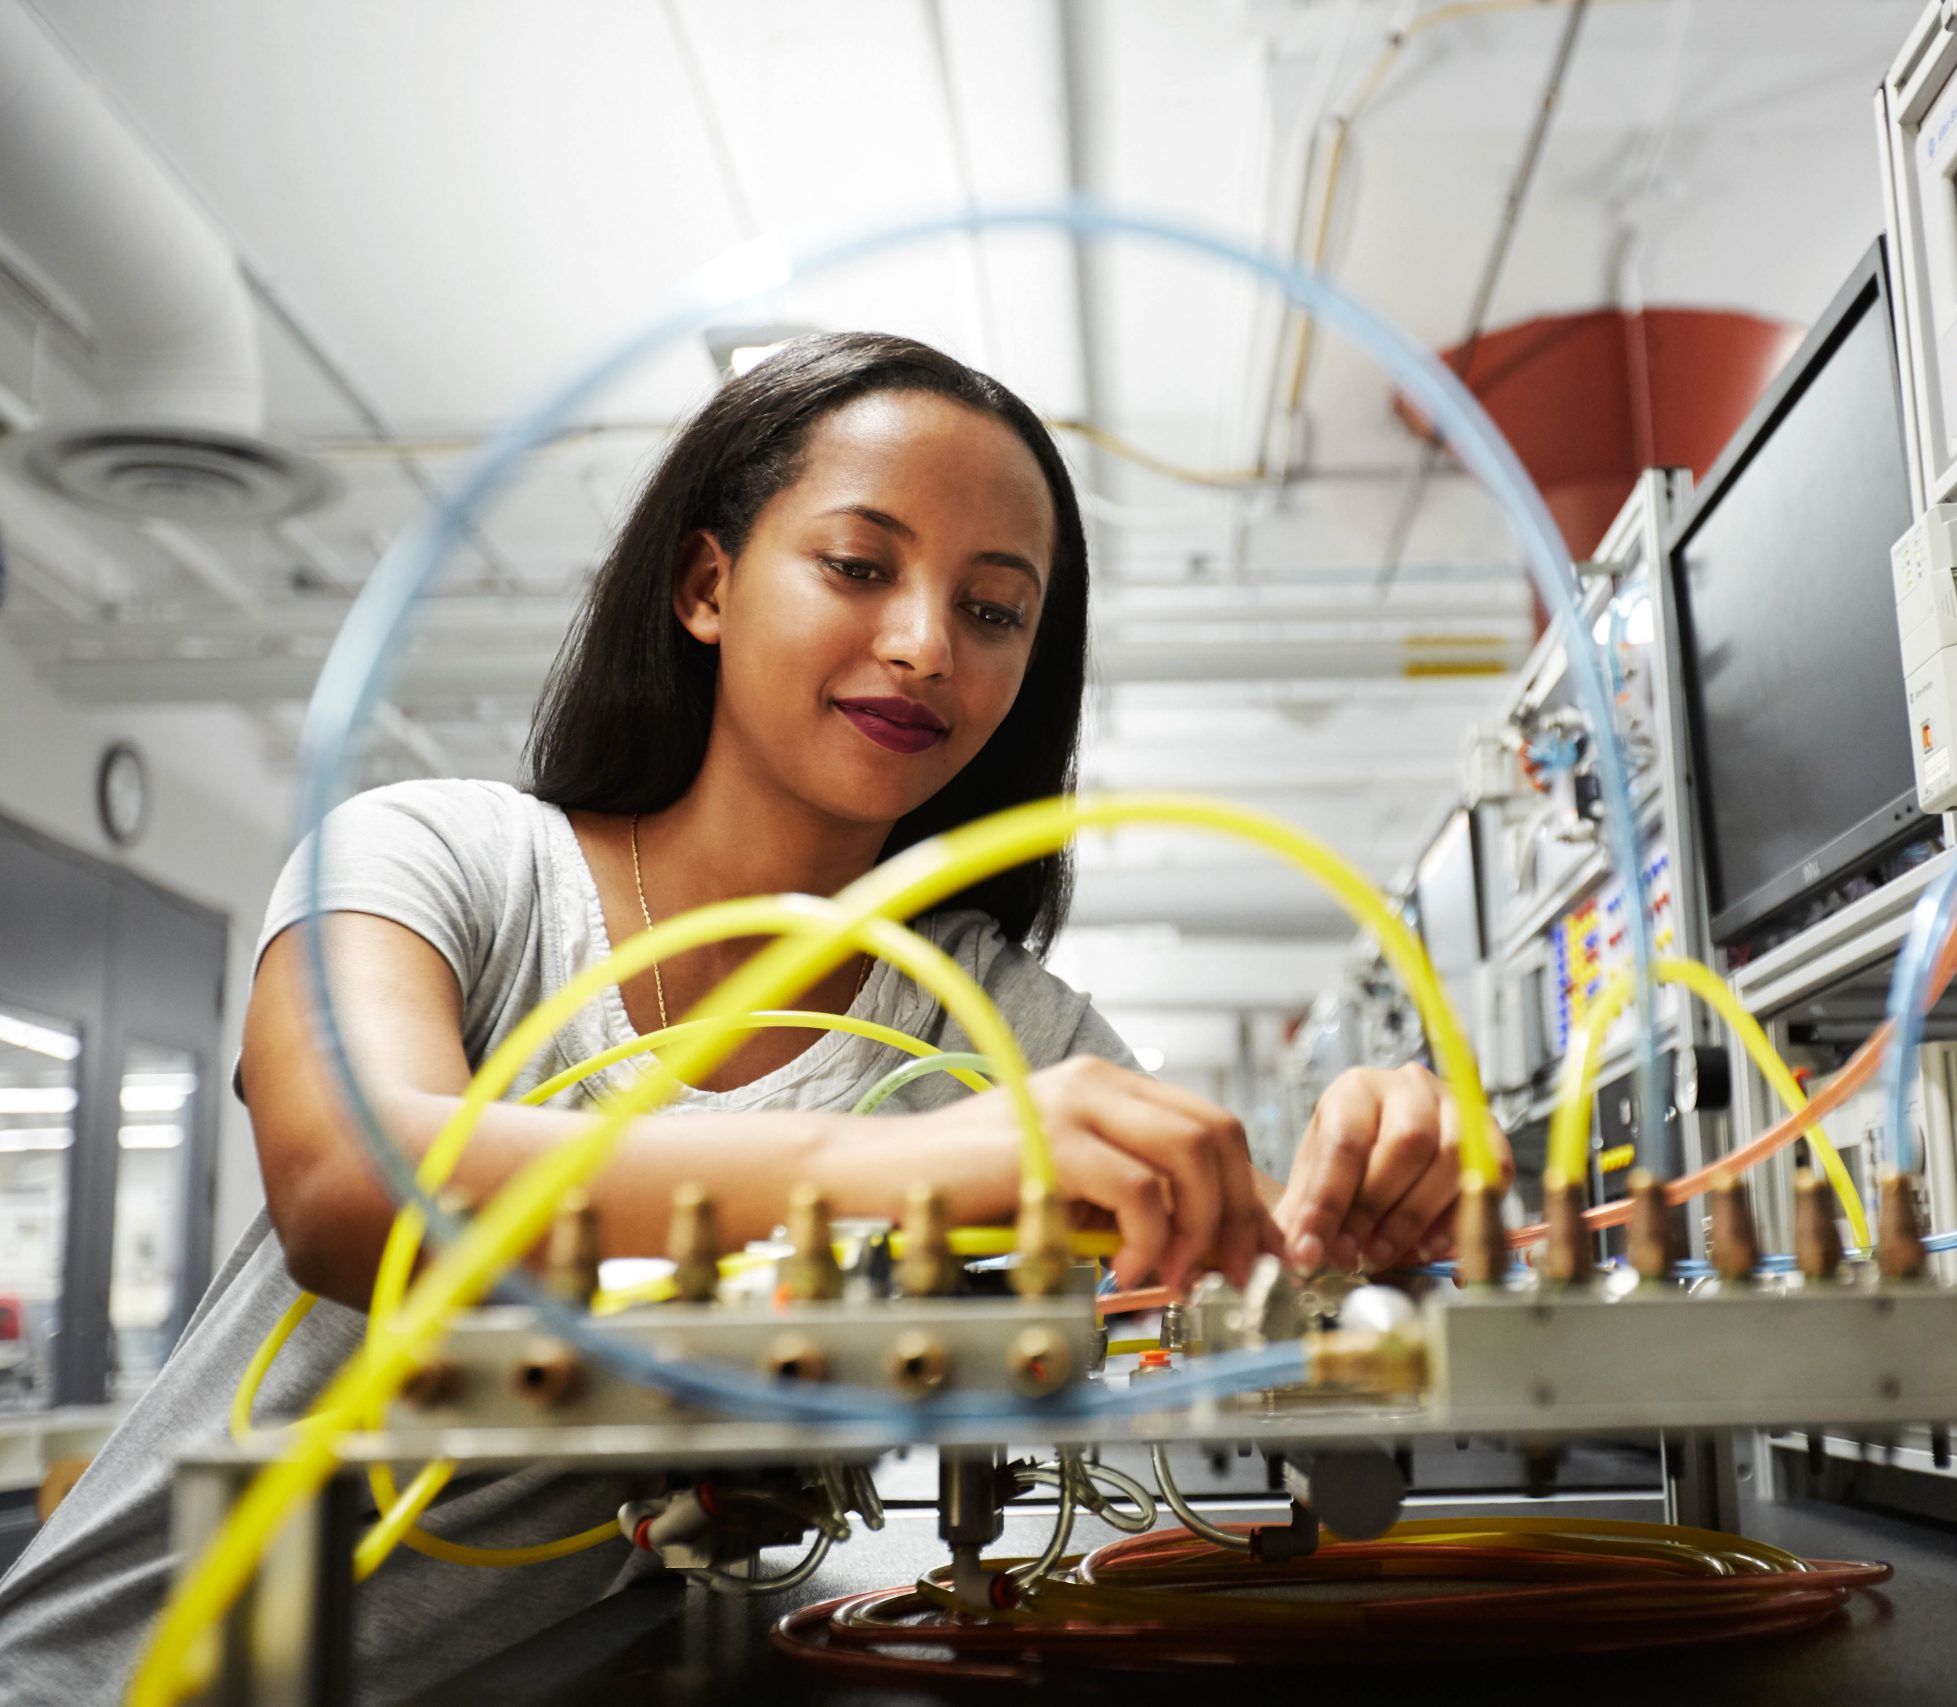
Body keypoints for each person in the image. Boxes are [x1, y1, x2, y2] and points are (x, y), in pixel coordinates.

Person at [0, 331, 1508, 1700]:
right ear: (706, 584)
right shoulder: (438, 861)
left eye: (994, 609)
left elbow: (1255, 1252)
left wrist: (1380, 1172)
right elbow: (355, 1190)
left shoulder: (989, 1025)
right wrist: (933, 1163)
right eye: (860, 567)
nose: (927, 641)